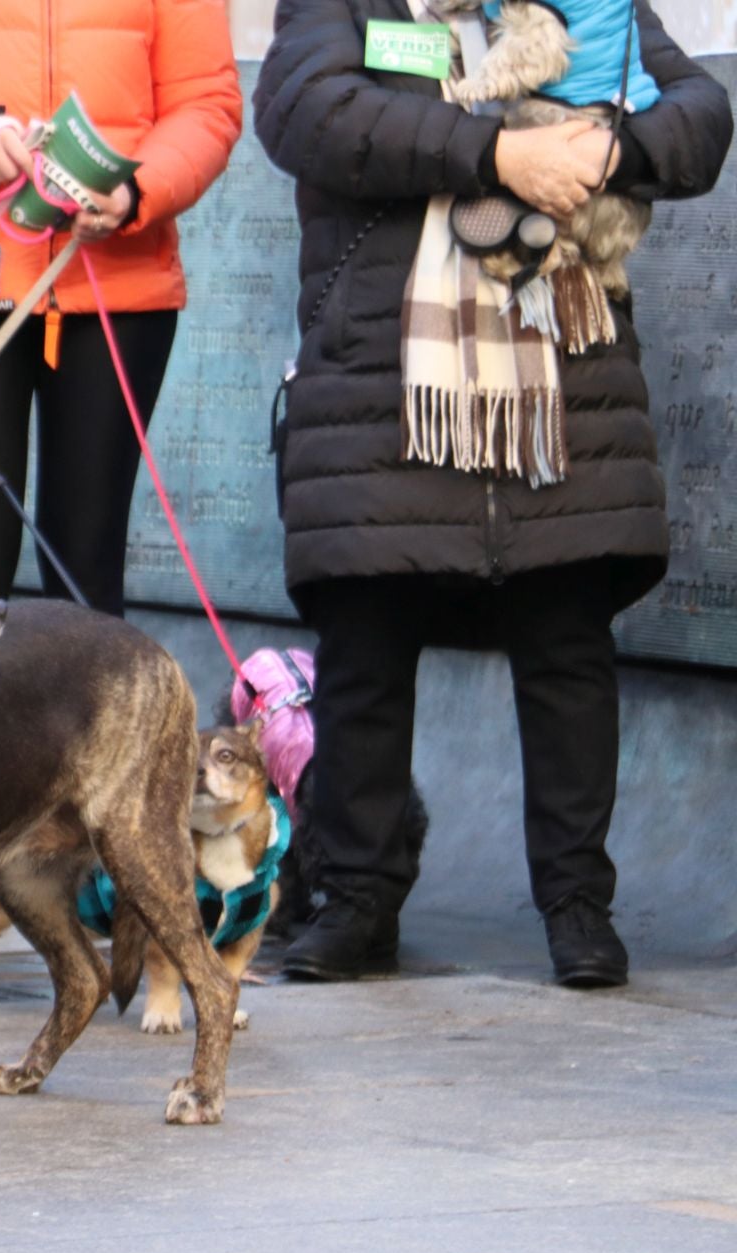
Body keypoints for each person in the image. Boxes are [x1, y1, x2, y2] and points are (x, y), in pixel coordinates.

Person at [255, 0, 731, 987]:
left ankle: (576, 903)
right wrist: (498, 154)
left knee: (565, 642)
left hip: (564, 381)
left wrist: (605, 147)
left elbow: (700, 112)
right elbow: (309, 112)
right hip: (382, 383)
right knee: (367, 644)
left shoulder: (587, 7)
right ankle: (357, 898)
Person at [0, 0, 242, 615]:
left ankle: (92, 714)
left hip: (117, 291)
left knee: (87, 566)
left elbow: (207, 103)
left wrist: (135, 187)